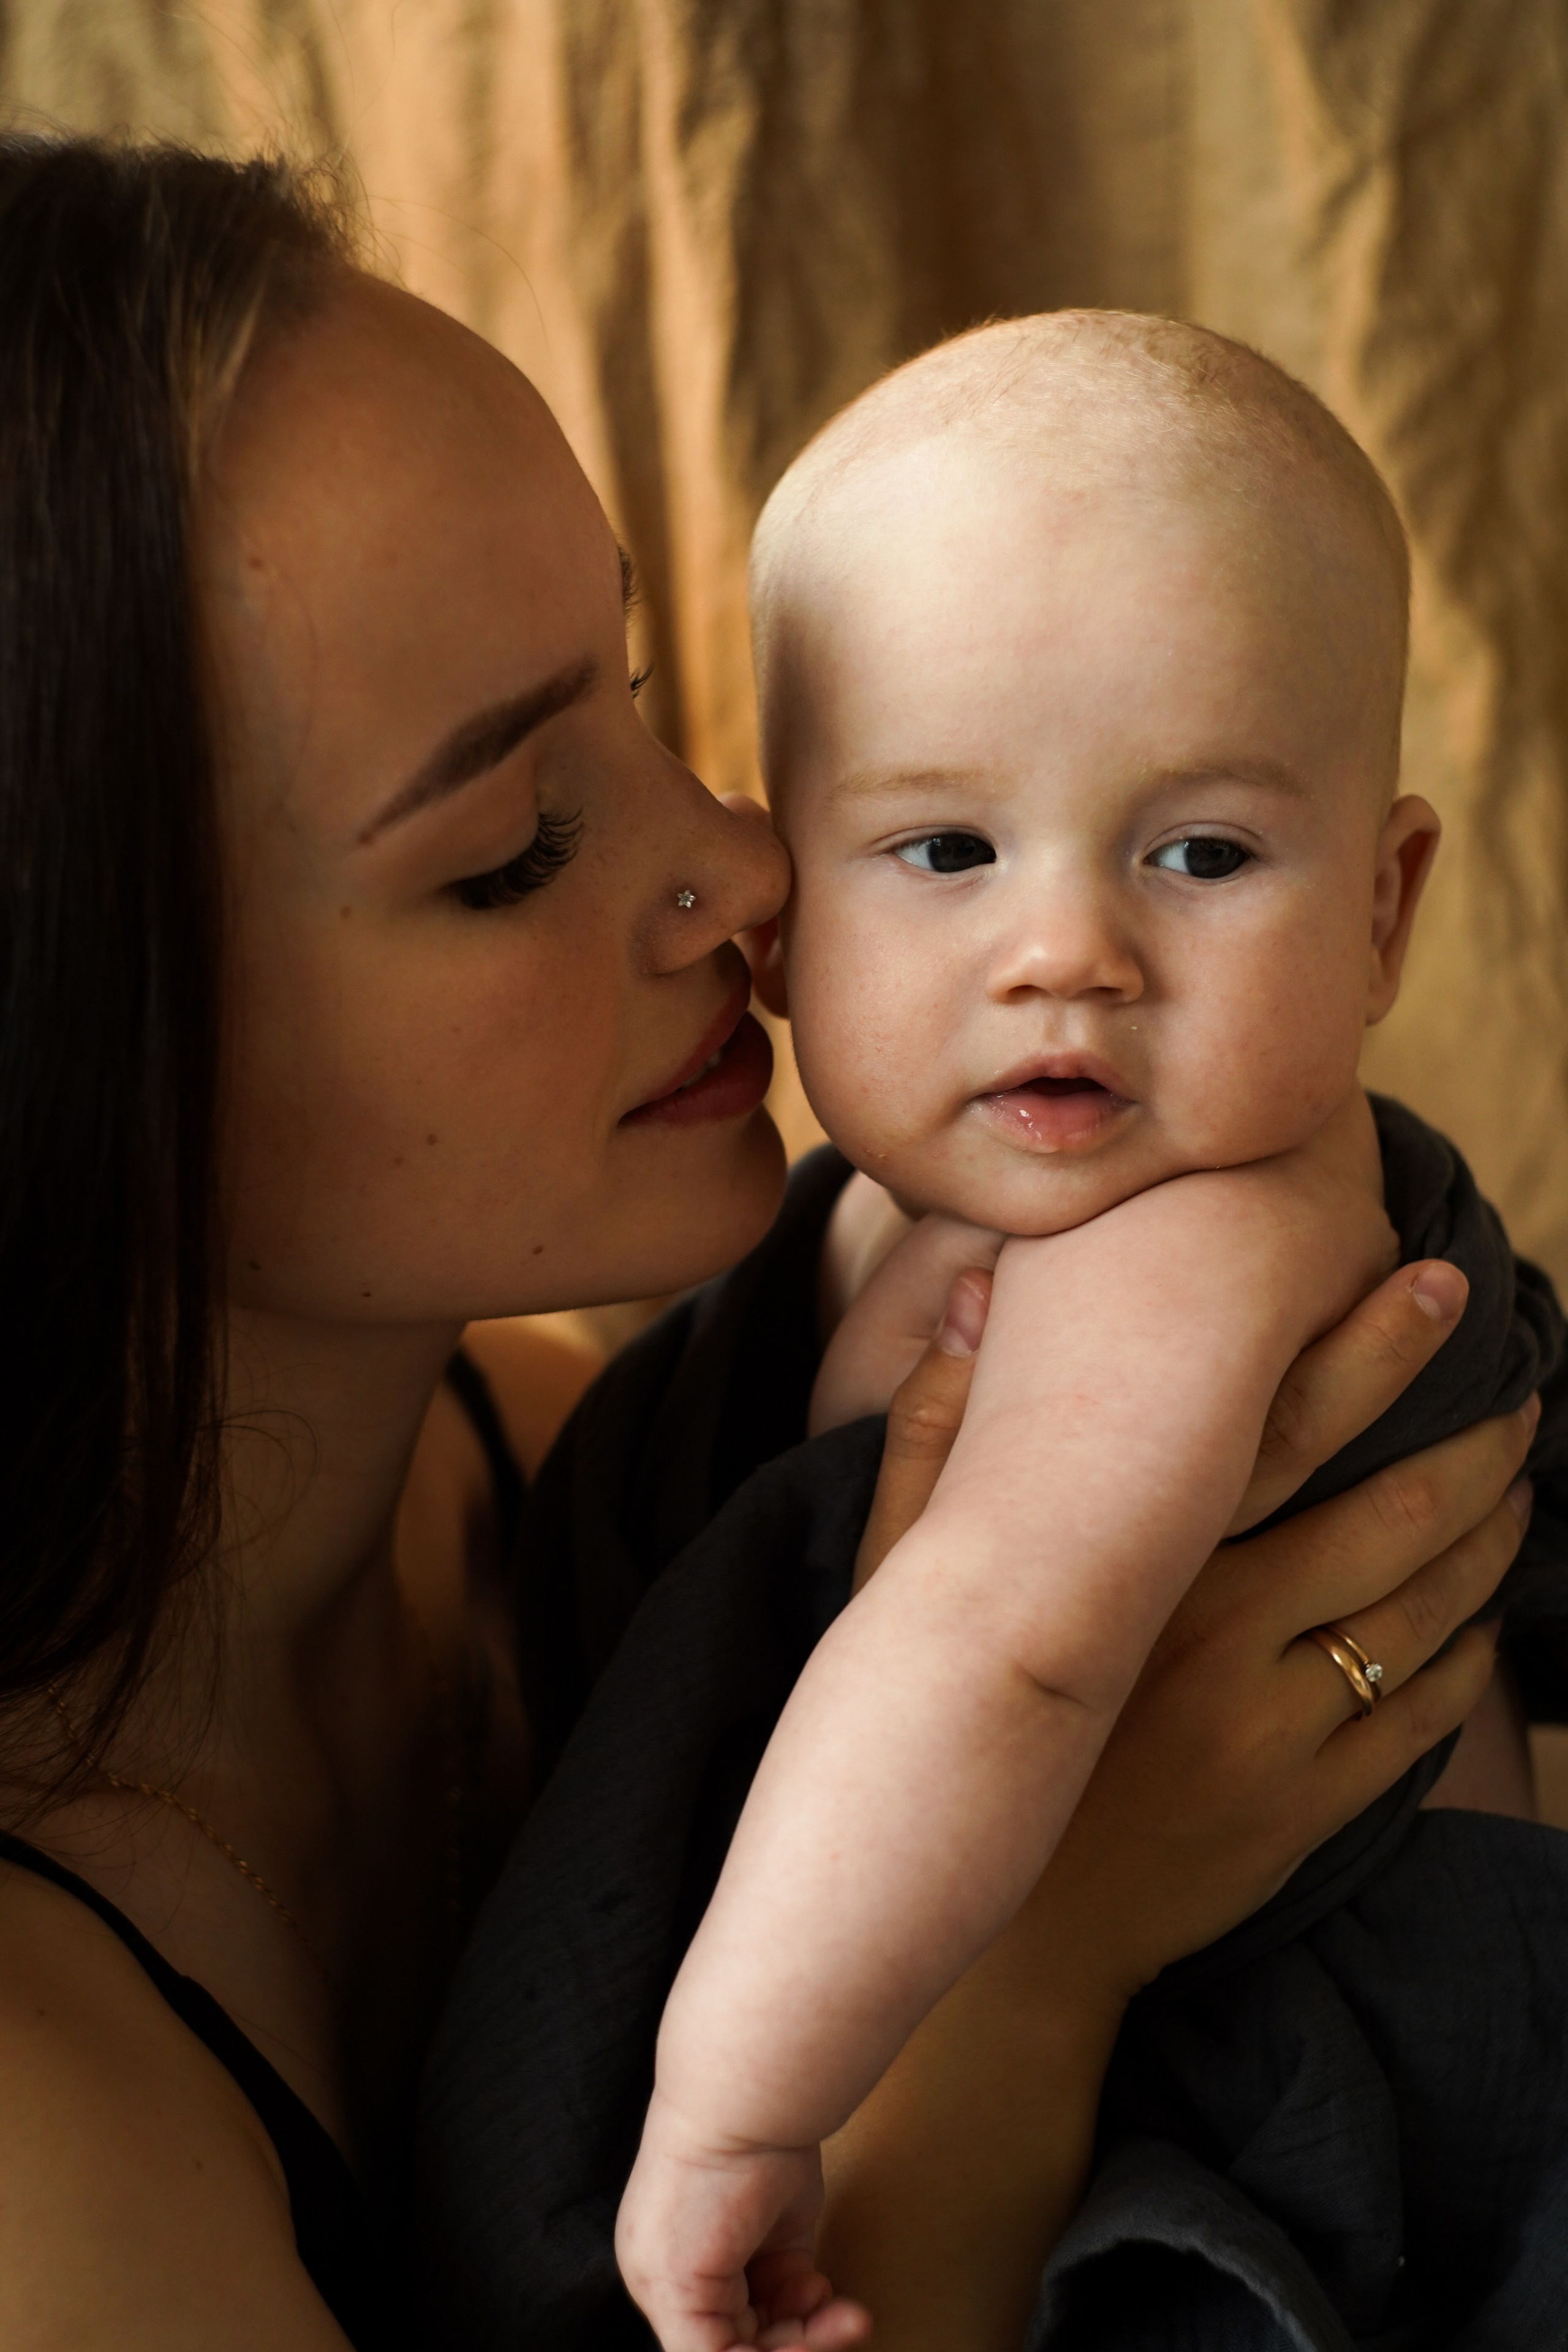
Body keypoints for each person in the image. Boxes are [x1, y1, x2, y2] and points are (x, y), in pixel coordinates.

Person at [0, 140, 1525, 2352]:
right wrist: (1010, 1986)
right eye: (517, 844)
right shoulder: (49, 2177)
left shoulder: (568, 1446)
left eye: (640, 692)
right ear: (79, 1049)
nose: (738, 855)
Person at [611, 315, 1568, 2351]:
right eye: (945, 851)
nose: (1068, 953)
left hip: (1317, 2144)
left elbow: (1012, 1655)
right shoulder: (852, 1234)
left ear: (1386, 912)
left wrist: (729, 2102)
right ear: (784, 916)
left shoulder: (1206, 1237)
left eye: (1202, 855)